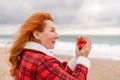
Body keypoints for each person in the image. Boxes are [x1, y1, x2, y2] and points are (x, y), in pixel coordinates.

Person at [9, 12, 92, 80]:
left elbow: (58, 74)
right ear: (37, 34)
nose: (57, 35)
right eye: (52, 30)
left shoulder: (26, 53)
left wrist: (78, 57)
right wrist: (83, 59)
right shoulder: (42, 61)